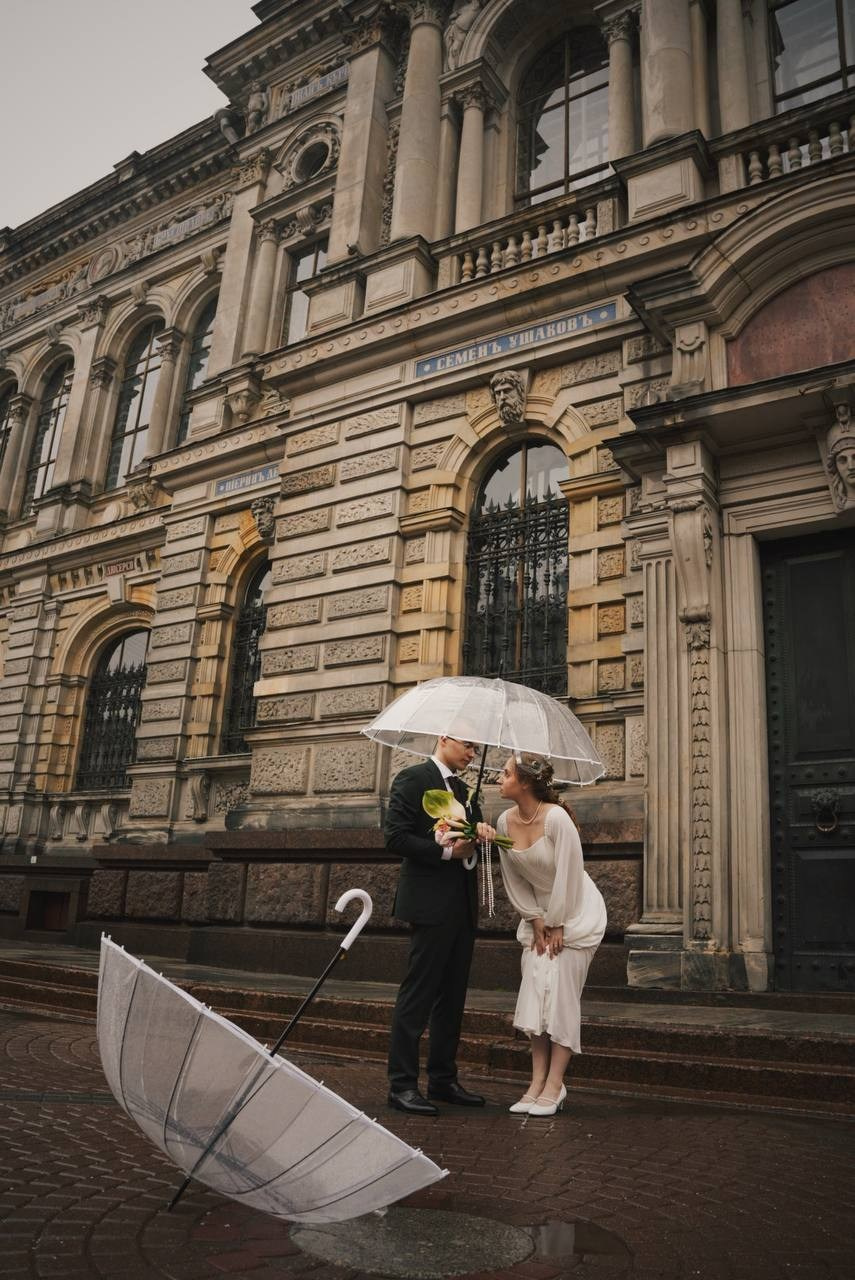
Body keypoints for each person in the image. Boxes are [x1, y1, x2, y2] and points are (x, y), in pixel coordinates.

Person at [385, 735, 492, 1115]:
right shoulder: (413, 779)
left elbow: (469, 844)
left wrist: (479, 832)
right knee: (419, 995)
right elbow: (395, 836)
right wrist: (447, 851)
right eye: (468, 745)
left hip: (462, 906)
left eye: (476, 749)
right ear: (444, 738)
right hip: (429, 905)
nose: (472, 753)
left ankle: (443, 1080)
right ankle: (401, 1085)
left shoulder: (465, 791)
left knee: (452, 996)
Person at [497, 753, 606, 1116]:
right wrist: (534, 917)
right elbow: (513, 879)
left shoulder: (557, 818)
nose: (500, 777)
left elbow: (570, 874)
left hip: (575, 912)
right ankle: (535, 1083)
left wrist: (557, 920)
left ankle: (555, 1086)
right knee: (535, 992)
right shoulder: (503, 820)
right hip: (539, 918)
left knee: (559, 996)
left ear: (525, 782)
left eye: (507, 773)